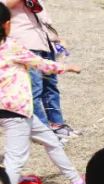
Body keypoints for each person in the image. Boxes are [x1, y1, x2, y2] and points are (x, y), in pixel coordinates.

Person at [0, 3, 81, 184]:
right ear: (8, 25)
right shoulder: (11, 46)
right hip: (16, 113)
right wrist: (68, 67)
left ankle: (77, 181)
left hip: (20, 112)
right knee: (15, 160)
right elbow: (40, 63)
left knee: (51, 141)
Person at [6, 0, 75, 139]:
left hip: (43, 42)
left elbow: (40, 17)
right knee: (35, 90)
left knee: (50, 86)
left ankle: (57, 124)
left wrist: (55, 38)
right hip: (25, 44)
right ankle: (43, 132)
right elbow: (5, 6)